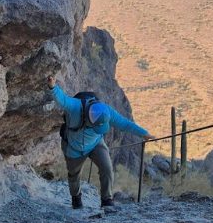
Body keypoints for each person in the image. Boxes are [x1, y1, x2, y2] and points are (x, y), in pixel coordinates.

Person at [49, 76, 153, 209]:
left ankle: (107, 200)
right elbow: (62, 99)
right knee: (74, 175)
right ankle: (76, 198)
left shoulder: (106, 111)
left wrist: (144, 134)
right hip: (74, 148)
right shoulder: (75, 107)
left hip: (96, 143)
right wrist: (53, 87)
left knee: (107, 169)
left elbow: (125, 124)